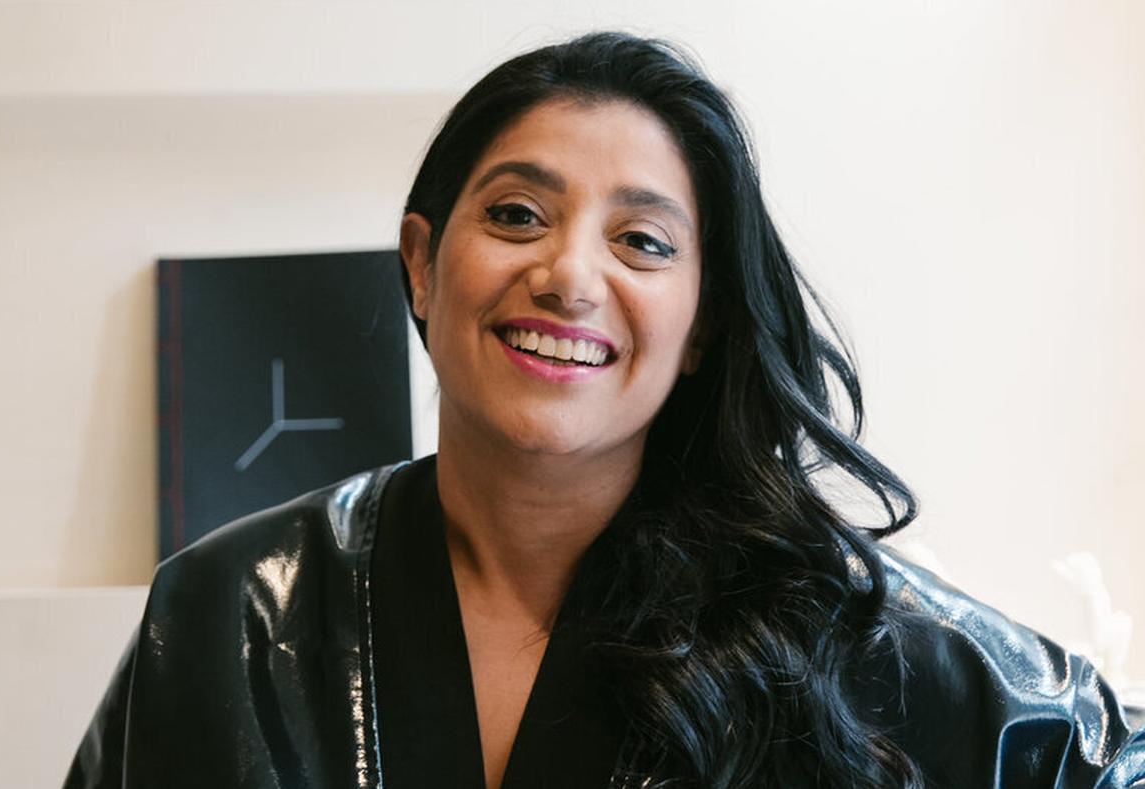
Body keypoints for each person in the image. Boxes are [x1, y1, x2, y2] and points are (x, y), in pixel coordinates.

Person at [64, 31, 1144, 789]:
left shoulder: (832, 624)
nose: (570, 276)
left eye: (643, 241)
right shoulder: (223, 614)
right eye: (518, 214)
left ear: (702, 323)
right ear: (424, 264)